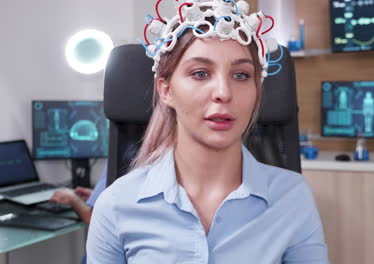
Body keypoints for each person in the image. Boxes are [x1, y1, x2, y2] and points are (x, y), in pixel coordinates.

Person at [87, 0, 329, 263]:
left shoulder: (291, 196)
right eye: (201, 73)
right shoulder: (116, 205)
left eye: (241, 75)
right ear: (166, 91)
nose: (223, 93)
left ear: (257, 91)